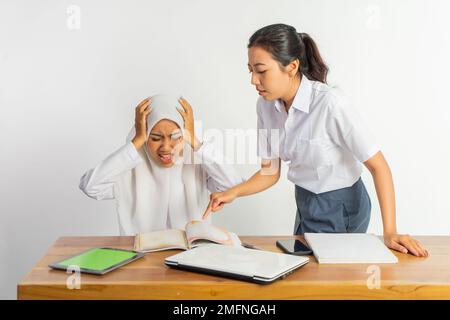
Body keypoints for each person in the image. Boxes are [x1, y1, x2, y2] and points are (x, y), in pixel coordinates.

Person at [202, 24, 428, 257]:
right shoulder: (266, 106)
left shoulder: (330, 104)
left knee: (329, 284)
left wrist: (390, 232)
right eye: (250, 70)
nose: (253, 80)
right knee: (303, 275)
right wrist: (233, 192)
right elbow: (270, 172)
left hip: (341, 205)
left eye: (261, 70)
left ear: (291, 66)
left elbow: (379, 166)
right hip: (305, 202)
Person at [79, 94, 244, 235]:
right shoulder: (131, 165)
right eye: (155, 138)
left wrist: (195, 142)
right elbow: (91, 186)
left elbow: (233, 185)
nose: (166, 147)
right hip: (143, 261)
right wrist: (136, 141)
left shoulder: (195, 161)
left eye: (176, 136)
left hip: (191, 259)